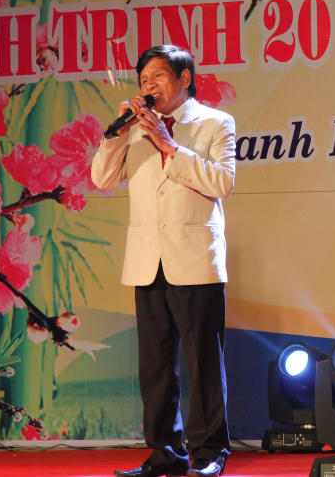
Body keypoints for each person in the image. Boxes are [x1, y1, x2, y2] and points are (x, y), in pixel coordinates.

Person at [91, 45, 236, 477]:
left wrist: (169, 145)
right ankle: (164, 453)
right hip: (147, 261)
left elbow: (221, 182)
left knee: (202, 363)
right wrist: (118, 133)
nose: (149, 86)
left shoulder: (215, 123)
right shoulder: (133, 129)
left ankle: (209, 454)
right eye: (143, 80)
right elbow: (101, 178)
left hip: (195, 261)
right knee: (154, 367)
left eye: (158, 76)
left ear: (184, 79)